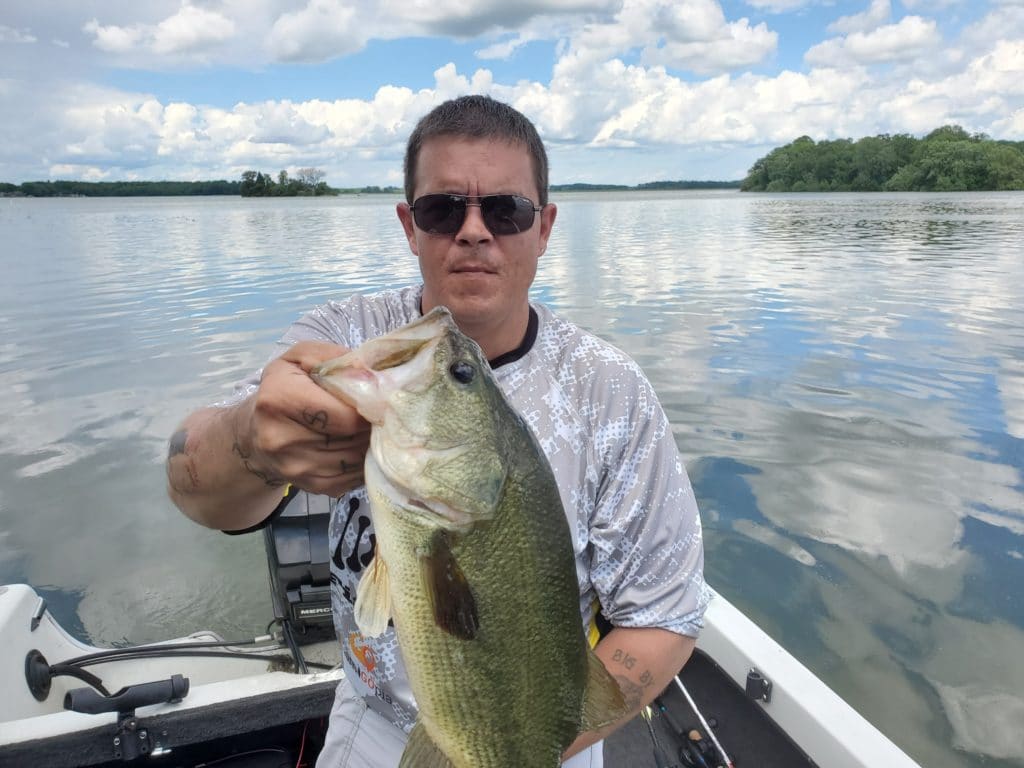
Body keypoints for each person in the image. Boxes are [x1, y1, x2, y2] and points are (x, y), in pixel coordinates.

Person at [167, 94, 709, 767]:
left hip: (548, 740)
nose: (475, 231)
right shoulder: (344, 342)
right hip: (372, 720)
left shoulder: (611, 390)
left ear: (544, 228)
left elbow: (665, 613)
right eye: (443, 209)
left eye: (506, 211)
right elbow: (197, 491)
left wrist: (509, 745)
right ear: (409, 224)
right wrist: (250, 438)